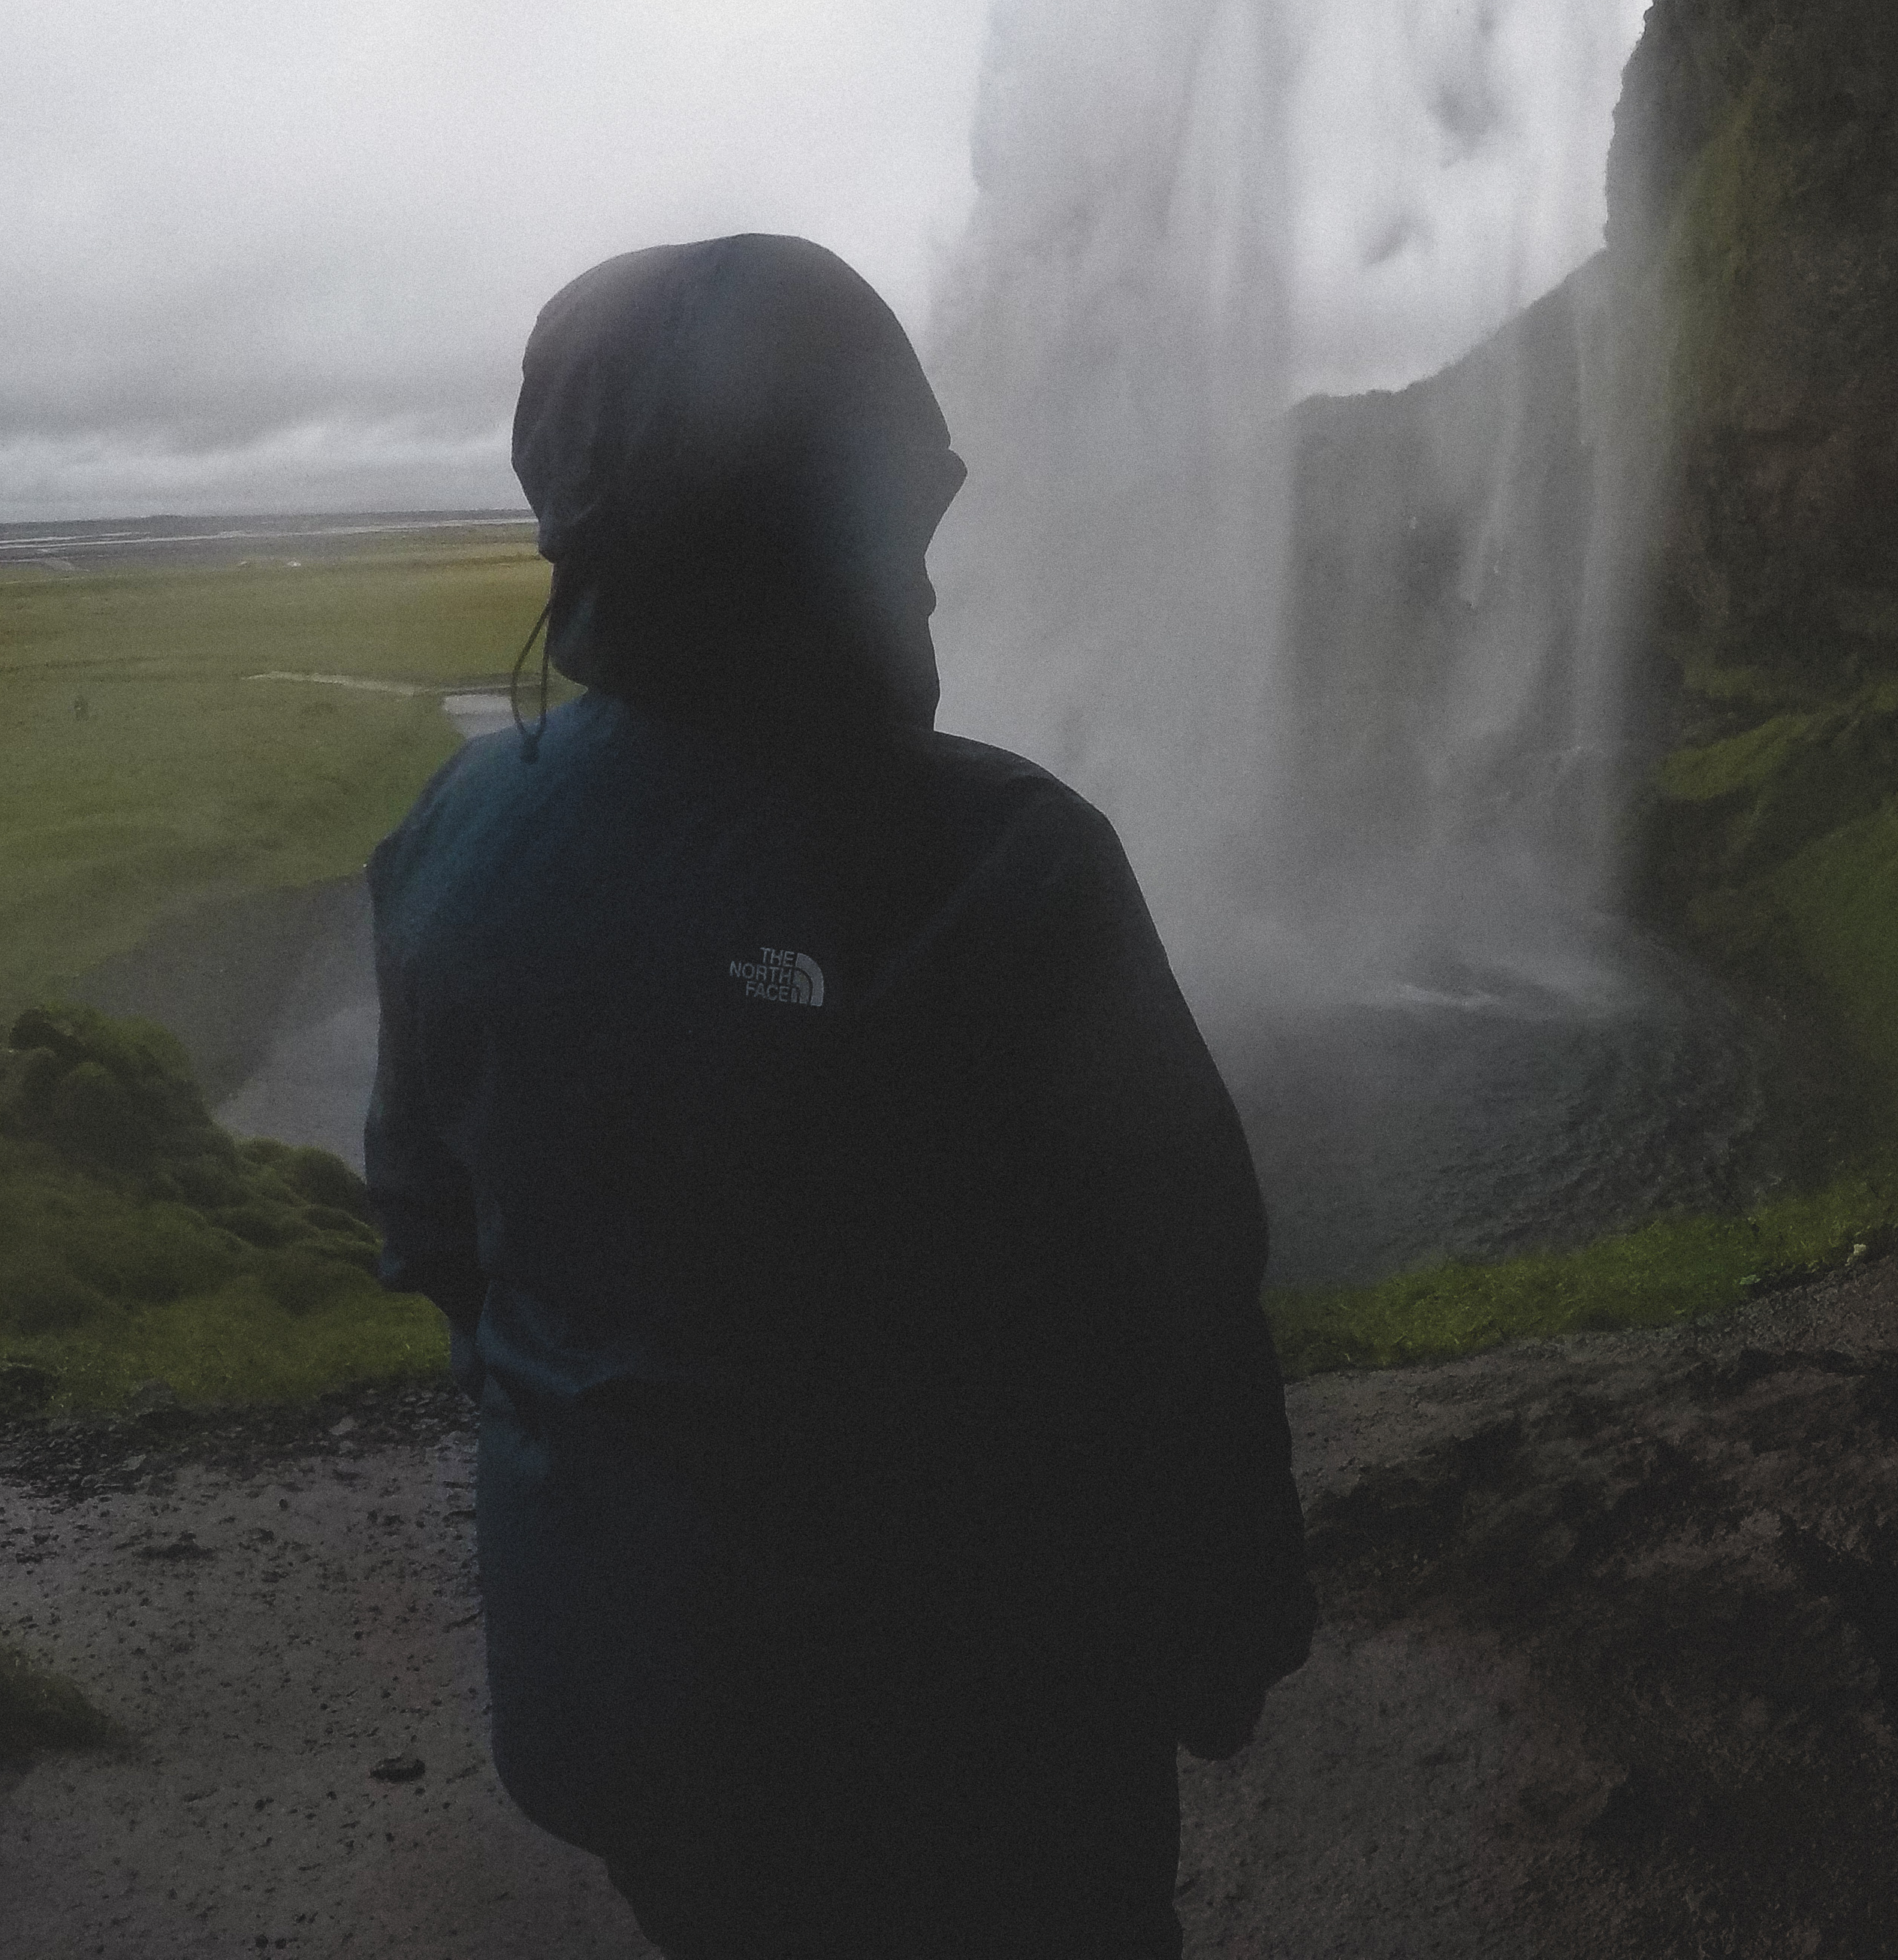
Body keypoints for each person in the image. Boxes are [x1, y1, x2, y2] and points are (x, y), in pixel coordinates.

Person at [361, 233, 1316, 1958]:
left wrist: (613, 1442)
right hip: (983, 1723)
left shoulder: (453, 831)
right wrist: (1230, 1627)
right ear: (824, 524)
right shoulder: (997, 862)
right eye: (894, 512)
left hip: (620, 1700)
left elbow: (433, 1228)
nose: (932, 577)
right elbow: (1179, 1295)